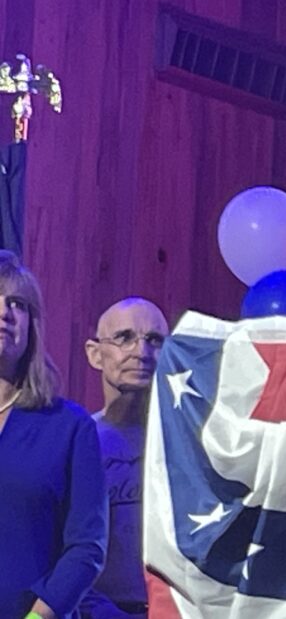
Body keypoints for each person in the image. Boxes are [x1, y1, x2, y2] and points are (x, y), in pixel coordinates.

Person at [0, 250, 107, 618]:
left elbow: (87, 547)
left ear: (31, 325)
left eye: (17, 304)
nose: (4, 312)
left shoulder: (69, 426)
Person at [79, 298, 169, 619]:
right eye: (124, 338)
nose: (141, 352)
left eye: (155, 340)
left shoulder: (188, 446)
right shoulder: (78, 442)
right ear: (95, 353)